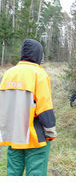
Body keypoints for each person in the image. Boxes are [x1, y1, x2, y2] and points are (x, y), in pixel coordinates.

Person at [0, 39, 57, 176]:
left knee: (13, 173)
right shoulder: (39, 74)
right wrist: (50, 131)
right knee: (36, 174)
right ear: (39, 55)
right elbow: (44, 107)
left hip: (13, 136)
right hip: (34, 137)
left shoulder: (8, 74)